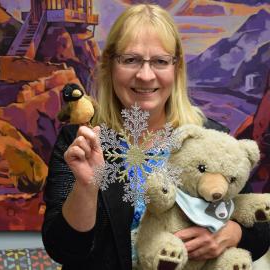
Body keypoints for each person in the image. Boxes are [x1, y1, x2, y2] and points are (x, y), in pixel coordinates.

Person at [42, 4, 270, 270]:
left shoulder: (210, 136)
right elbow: (63, 249)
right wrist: (87, 187)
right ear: (109, 66)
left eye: (160, 61)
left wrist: (230, 233)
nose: (145, 75)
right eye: (130, 60)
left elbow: (259, 229)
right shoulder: (80, 139)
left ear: (176, 68)